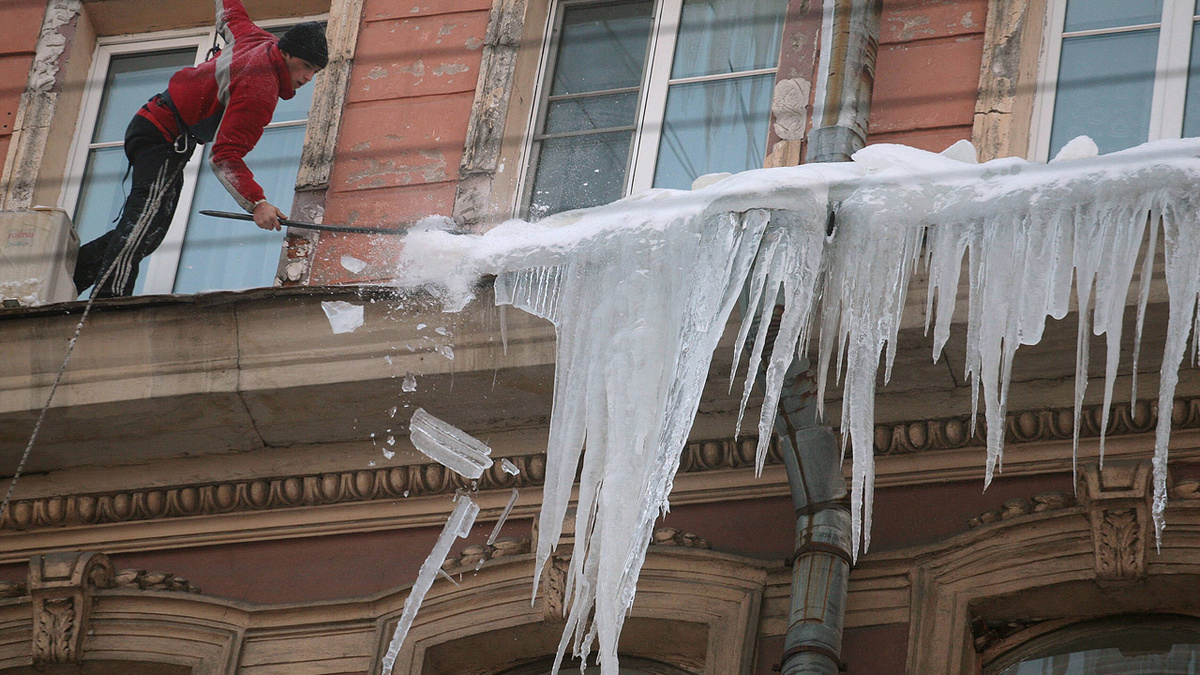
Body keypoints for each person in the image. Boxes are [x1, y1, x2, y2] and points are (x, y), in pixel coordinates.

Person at [73, 0, 327, 298]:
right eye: (307, 66)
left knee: (150, 230)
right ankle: (108, 301)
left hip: (157, 129)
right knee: (143, 220)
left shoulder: (257, 39)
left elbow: (230, 13)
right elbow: (225, 156)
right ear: (286, 52)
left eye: (316, 71)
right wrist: (257, 203)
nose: (308, 78)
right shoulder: (261, 87)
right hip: (162, 133)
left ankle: (72, 271)